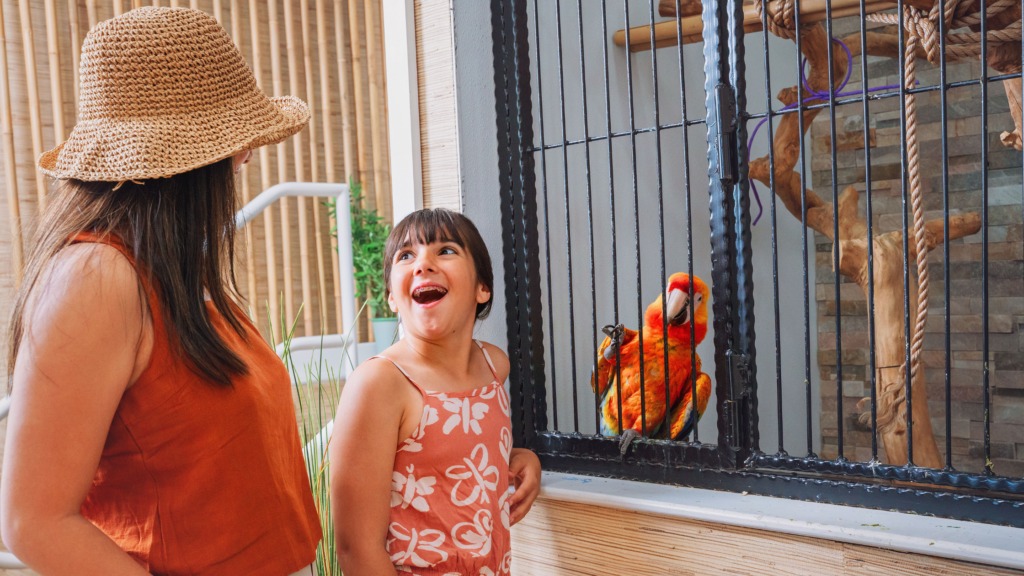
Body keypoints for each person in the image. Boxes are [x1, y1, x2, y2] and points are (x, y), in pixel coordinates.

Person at [2, 8, 321, 576]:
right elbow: (34, 520)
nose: (246, 155)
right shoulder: (97, 278)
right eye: (236, 140)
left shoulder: (164, 273)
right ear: (187, 160)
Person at [330, 209, 542, 576]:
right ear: (392, 298)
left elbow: (457, 456)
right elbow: (356, 550)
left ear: (482, 288)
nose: (423, 263)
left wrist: (522, 458)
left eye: (445, 250)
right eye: (406, 255)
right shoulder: (380, 384)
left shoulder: (493, 366)